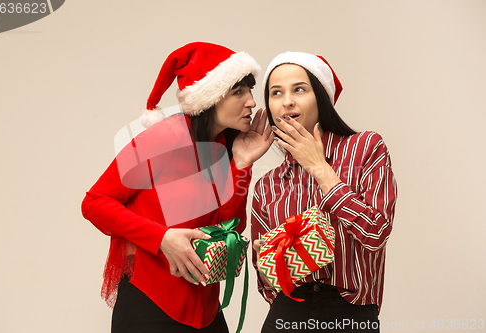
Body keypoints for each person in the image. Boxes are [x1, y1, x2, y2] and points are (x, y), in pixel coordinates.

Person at [81, 42, 273, 333]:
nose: (251, 102)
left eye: (249, 91)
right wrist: (162, 238)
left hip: (205, 311)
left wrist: (242, 164)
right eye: (238, 92)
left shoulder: (225, 146)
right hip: (150, 305)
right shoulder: (162, 138)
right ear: (210, 98)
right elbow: (95, 202)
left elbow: (230, 227)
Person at [251, 51, 398, 332]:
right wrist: (268, 262)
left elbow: (376, 233)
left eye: (299, 89)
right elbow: (266, 283)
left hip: (350, 316)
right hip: (288, 314)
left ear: (321, 96)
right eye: (276, 93)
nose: (287, 101)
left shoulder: (366, 148)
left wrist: (319, 167)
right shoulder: (267, 185)